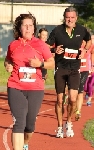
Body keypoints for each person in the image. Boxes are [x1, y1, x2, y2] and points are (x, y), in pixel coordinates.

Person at [4, 14, 54, 150]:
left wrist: (40, 63)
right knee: (19, 122)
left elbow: (52, 63)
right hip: (15, 86)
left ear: (34, 28)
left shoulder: (41, 45)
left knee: (30, 125)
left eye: (30, 25)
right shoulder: (13, 45)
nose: (27, 28)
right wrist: (7, 65)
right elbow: (8, 59)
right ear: (19, 28)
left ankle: (25, 143)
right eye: (24, 25)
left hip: (35, 88)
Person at [46, 7, 91, 138]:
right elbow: (47, 46)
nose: (69, 19)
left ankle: (69, 122)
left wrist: (85, 50)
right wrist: (54, 50)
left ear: (76, 18)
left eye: (72, 17)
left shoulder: (82, 30)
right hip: (60, 67)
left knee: (72, 99)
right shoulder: (57, 30)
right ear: (64, 17)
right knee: (60, 100)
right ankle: (59, 127)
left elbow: (88, 41)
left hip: (74, 69)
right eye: (67, 17)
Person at [75, 39, 94, 120]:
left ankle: (78, 111)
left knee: (80, 90)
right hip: (75, 70)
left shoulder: (90, 46)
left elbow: (92, 54)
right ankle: (73, 106)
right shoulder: (75, 45)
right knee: (73, 91)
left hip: (85, 70)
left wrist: (92, 66)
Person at [84, 35, 94, 106]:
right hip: (87, 67)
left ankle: (89, 100)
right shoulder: (89, 47)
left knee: (91, 84)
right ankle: (88, 92)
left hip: (92, 68)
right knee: (85, 86)